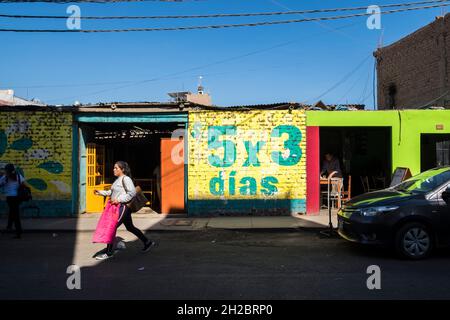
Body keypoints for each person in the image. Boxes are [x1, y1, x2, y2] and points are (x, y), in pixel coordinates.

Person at [94, 161, 156, 260]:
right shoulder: (118, 180)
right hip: (118, 207)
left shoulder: (126, 179)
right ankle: (147, 242)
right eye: (114, 168)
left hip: (123, 207)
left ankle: (109, 252)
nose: (114, 169)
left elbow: (131, 193)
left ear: (122, 169)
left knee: (111, 227)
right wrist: (101, 193)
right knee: (130, 227)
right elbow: (112, 192)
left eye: (116, 168)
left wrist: (118, 200)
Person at [0, 164, 25, 238]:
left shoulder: (5, 178)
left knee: (15, 214)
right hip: (17, 197)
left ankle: (18, 232)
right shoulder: (18, 176)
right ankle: (9, 226)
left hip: (10, 198)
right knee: (13, 211)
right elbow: (23, 184)